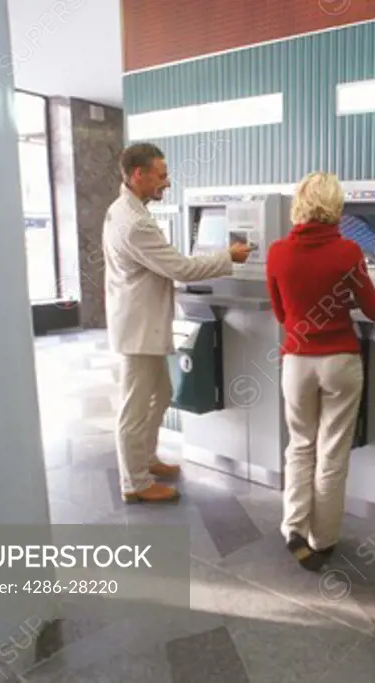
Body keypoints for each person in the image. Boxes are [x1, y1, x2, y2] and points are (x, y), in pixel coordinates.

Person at [266, 172, 375, 570]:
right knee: (331, 454)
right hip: (340, 362)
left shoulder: (278, 252)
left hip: (296, 362)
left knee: (299, 446)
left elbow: (284, 314)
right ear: (335, 207)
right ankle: (323, 540)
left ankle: (293, 527)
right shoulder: (348, 251)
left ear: (299, 204)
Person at [104, 142, 252, 503]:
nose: (166, 182)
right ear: (138, 174)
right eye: (162, 174)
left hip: (141, 323)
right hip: (138, 330)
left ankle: (146, 459)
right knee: (134, 408)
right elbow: (180, 268)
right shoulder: (134, 221)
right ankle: (134, 483)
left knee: (162, 394)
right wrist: (227, 257)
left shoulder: (125, 209)